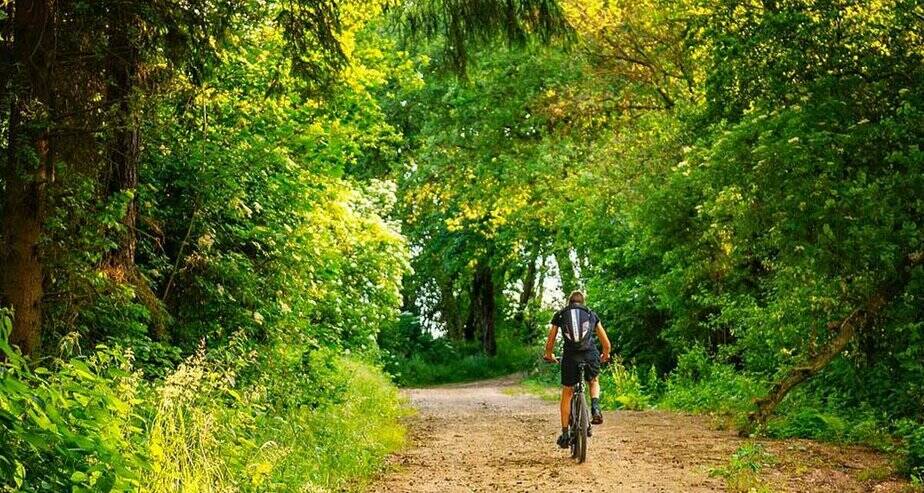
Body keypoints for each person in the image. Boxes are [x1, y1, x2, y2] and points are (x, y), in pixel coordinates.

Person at [543, 290, 611, 448]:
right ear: (583, 302)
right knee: (593, 381)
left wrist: (549, 355)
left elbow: (550, 341)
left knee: (567, 392)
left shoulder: (560, 315)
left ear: (569, 302)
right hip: (590, 355)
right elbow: (606, 343)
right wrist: (605, 355)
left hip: (570, 358)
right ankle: (595, 408)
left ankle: (565, 434)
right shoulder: (590, 313)